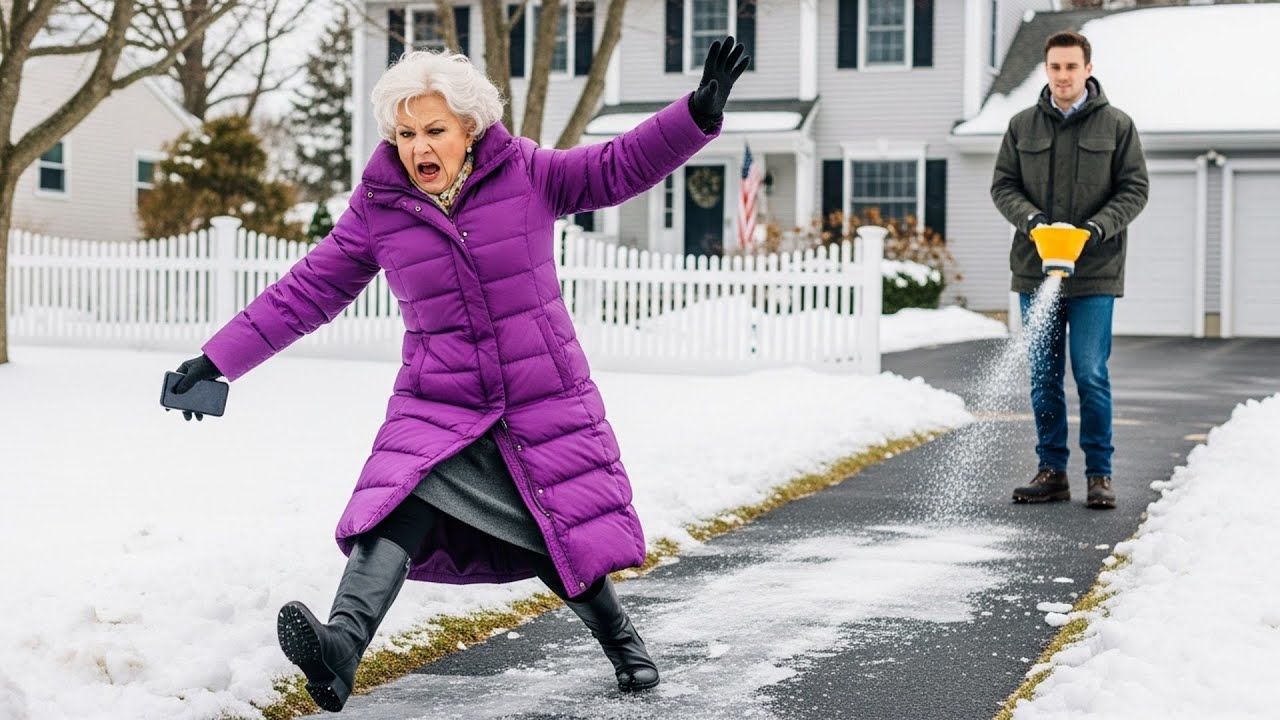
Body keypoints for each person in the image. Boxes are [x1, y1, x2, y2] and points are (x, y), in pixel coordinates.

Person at [169, 39, 749, 711]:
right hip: (438, 400)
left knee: (555, 534)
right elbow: (309, 289)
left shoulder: (526, 172)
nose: (419, 146)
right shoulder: (379, 207)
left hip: (538, 395)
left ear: (469, 129)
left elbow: (616, 167)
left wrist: (695, 115)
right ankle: (340, 650)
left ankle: (624, 644)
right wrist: (217, 359)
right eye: (406, 134)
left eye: (434, 130)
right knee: (394, 504)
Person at [991, 31, 1148, 510]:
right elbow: (1004, 186)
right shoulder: (1022, 126)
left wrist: (1095, 230)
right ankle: (1052, 471)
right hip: (1035, 270)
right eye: (1055, 67)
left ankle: (1099, 474)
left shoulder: (1117, 126)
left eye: (1071, 67)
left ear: (1088, 69)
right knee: (1043, 377)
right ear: (1047, 69)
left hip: (1095, 271)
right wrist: (1034, 223)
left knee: (1090, 372)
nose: (1063, 76)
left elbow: (1134, 189)